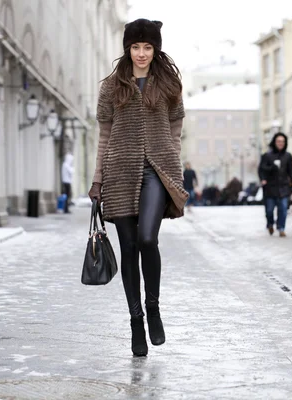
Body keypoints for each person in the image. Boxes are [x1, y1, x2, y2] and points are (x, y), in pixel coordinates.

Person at [87, 19, 187, 357]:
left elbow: (175, 132)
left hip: (157, 171)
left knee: (147, 238)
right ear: (127, 48)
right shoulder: (111, 88)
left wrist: (175, 167)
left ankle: (154, 307)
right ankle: (136, 322)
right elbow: (103, 138)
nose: (141, 54)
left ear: (155, 48)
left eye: (147, 47)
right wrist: (97, 180)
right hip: (119, 172)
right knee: (129, 247)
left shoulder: (169, 84)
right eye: (135, 47)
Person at [258, 132, 292, 237]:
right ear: (274, 142)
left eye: (283, 141)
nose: (281, 143)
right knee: (269, 210)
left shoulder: (288, 156)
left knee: (283, 209)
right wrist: (263, 179)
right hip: (270, 188)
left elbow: (291, 171)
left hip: (283, 187)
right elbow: (261, 169)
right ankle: (270, 224)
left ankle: (281, 228)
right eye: (279, 141)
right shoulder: (267, 155)